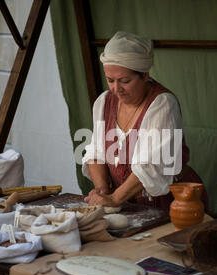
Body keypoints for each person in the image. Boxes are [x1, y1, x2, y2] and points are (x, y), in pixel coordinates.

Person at [82, 31, 209, 213]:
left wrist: (114, 198)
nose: (117, 89)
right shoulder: (104, 102)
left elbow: (153, 165)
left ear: (144, 75)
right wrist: (102, 191)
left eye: (125, 81)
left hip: (173, 203)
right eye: (110, 80)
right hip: (126, 203)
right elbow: (96, 152)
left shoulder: (162, 104)